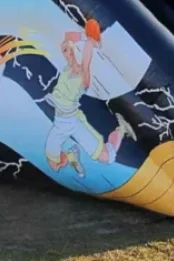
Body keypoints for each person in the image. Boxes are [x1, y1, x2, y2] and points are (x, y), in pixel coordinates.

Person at [43, 21, 135, 177]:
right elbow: (67, 36)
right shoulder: (67, 68)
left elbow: (86, 58)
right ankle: (72, 156)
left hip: (73, 121)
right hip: (60, 122)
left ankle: (121, 130)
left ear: (74, 51)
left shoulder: (82, 77)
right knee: (54, 164)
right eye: (64, 50)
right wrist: (83, 35)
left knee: (107, 157)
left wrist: (91, 41)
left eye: (67, 50)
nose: (65, 52)